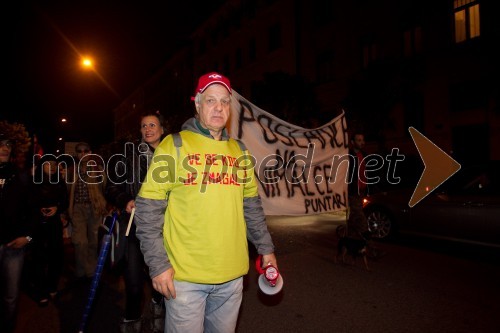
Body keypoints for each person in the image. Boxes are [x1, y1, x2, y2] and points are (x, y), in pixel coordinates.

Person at [134, 72, 278, 333]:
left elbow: (252, 206)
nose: (219, 107)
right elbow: (147, 210)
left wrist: (266, 250)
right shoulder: (173, 145)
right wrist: (158, 265)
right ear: (197, 104)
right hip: (185, 278)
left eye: (224, 101)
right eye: (211, 100)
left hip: (233, 277)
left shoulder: (240, 151)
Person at [105, 111, 167, 333]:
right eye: (144, 126)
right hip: (135, 226)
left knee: (161, 276)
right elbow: (111, 187)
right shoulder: (128, 154)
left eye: (152, 125)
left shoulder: (173, 155)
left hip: (164, 228)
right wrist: (126, 200)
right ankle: (132, 316)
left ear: (162, 129)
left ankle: (159, 308)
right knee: (133, 283)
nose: (148, 129)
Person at [0, 133, 34, 332]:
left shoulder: (21, 175)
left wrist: (28, 237)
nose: (5, 148)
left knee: (11, 297)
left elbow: (33, 210)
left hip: (14, 245)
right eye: (1, 145)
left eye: (7, 145)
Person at [30, 154, 69, 306]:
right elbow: (29, 201)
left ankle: (52, 286)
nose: (51, 167)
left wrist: (57, 208)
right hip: (37, 224)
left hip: (54, 223)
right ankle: (40, 291)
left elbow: (65, 200)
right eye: (48, 164)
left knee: (56, 255)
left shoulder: (59, 182)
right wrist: (39, 209)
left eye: (54, 164)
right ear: (41, 166)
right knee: (38, 257)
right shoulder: (34, 181)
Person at [68, 142, 107, 280]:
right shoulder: (72, 170)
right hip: (78, 208)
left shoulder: (98, 168)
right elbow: (66, 190)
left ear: (90, 152)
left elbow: (105, 188)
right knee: (80, 241)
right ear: (77, 153)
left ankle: (91, 270)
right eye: (80, 151)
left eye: (86, 150)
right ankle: (81, 269)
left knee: (93, 241)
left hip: (94, 208)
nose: (83, 153)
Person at [347, 132, 369, 239]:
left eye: (362, 140)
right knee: (361, 219)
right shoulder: (348, 156)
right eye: (359, 140)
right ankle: (371, 247)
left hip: (362, 191)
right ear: (352, 142)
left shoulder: (364, 155)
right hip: (353, 192)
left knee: (354, 218)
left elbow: (366, 173)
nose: (362, 143)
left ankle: (348, 240)